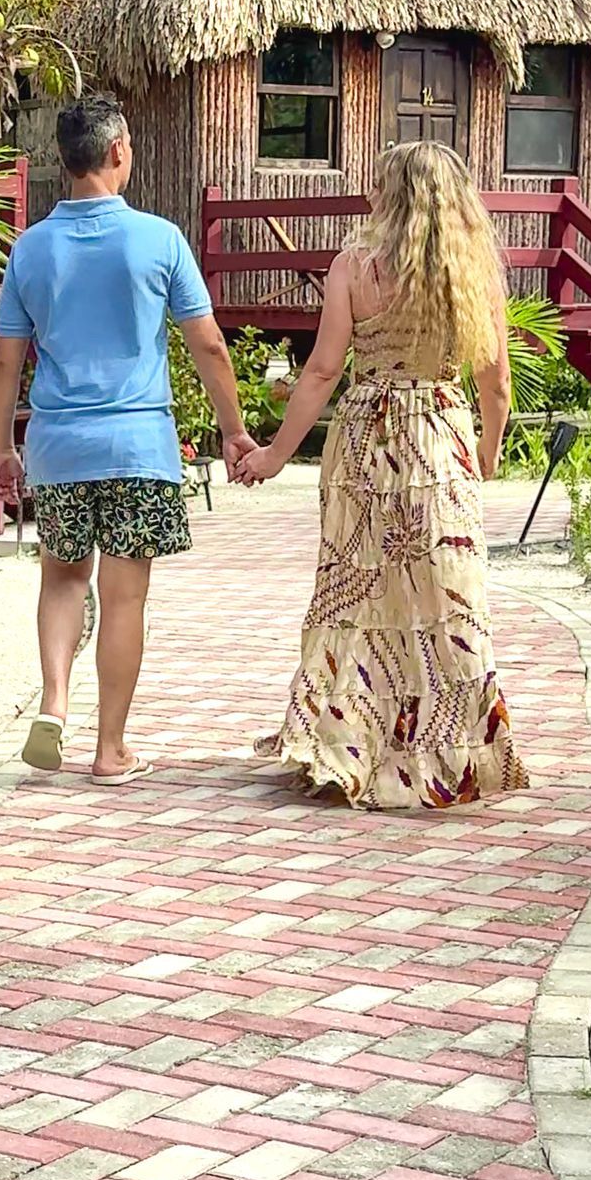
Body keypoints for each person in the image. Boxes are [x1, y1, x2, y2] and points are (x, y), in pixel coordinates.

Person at [232, 139, 528, 808]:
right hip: (438, 439)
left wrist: (275, 455)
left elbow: (323, 370)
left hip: (365, 439)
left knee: (356, 591)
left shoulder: (352, 267)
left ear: (388, 195)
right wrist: (486, 452)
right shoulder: (473, 272)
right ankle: (449, 748)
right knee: (443, 596)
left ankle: (346, 744)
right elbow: (497, 382)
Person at [0, 93, 255, 783]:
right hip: (139, 446)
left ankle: (54, 701)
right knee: (126, 597)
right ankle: (110, 750)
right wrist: (233, 431)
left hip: (59, 445)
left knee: (62, 579)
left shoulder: (30, 249)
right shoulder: (159, 239)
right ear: (117, 152)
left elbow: (5, 361)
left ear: (63, 161)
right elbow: (209, 344)